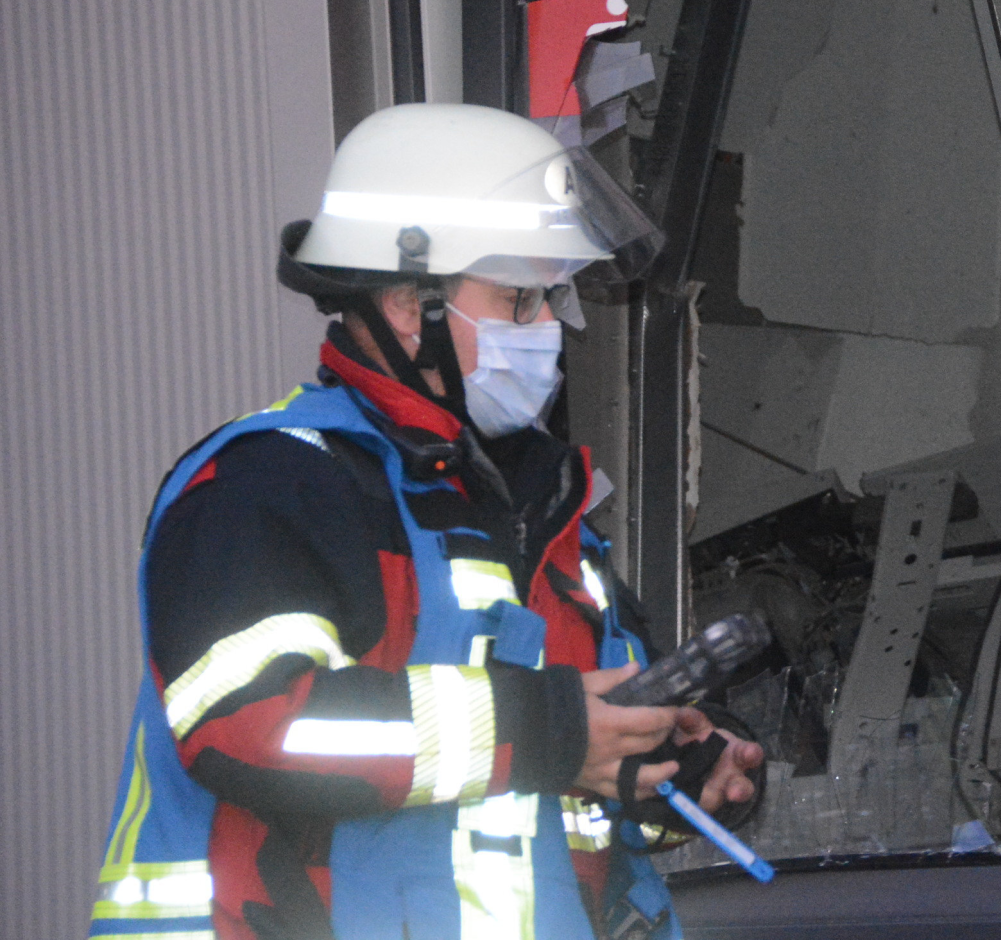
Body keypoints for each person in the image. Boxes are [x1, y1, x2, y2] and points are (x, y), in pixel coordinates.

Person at [89, 103, 765, 940]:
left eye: (552, 296)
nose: (548, 328)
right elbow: (255, 726)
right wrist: (548, 730)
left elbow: (579, 783)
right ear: (412, 304)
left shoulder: (537, 509)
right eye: (521, 299)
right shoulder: (272, 483)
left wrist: (681, 768)